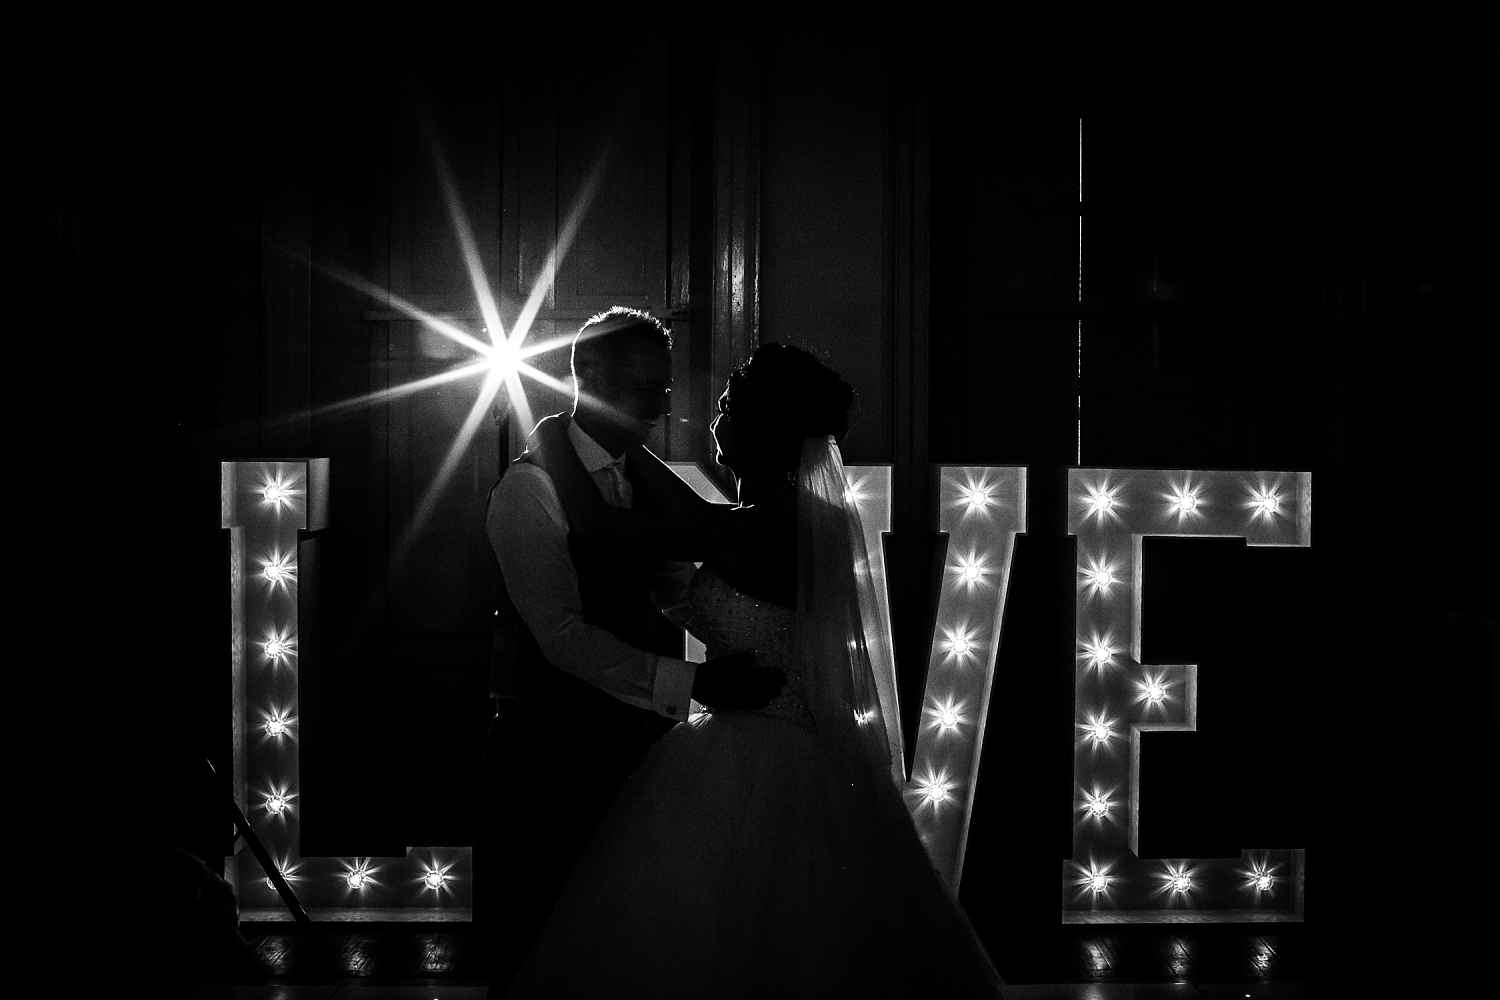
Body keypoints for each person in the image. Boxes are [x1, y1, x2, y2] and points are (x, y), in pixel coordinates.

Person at [504, 343, 1005, 998]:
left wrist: (548, 437)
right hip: (806, 748)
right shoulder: (799, 524)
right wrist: (625, 446)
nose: (713, 413)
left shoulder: (738, 533)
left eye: (726, 406)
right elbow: (682, 508)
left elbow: (599, 522)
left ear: (753, 433)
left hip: (745, 751)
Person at [480, 307, 785, 993]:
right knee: (541, 937)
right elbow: (561, 639)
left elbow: (678, 589)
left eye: (664, 384)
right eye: (643, 386)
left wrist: (748, 644)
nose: (662, 403)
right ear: (587, 377)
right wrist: (695, 683)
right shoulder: (530, 491)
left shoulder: (636, 484)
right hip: (544, 748)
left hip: (626, 736)